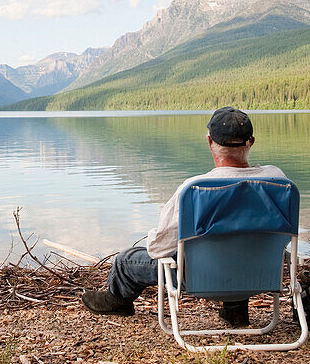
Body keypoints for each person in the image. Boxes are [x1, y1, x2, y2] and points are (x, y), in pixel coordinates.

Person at [80, 107, 288, 327]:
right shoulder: (277, 180)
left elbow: (158, 249)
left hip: (204, 279)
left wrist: (153, 237)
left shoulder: (196, 189)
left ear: (210, 142)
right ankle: (235, 310)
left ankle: (117, 302)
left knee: (126, 260)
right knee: (245, 243)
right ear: (251, 141)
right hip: (260, 275)